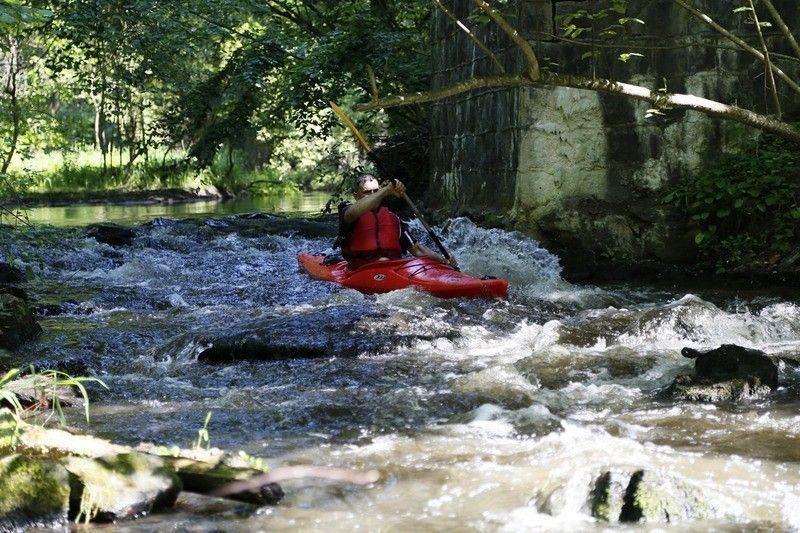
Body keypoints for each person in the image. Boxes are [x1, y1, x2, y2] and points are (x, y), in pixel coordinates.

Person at [336, 174, 458, 270]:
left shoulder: (393, 218)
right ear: (356, 195)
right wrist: (385, 190)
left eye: (376, 190)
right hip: (360, 271)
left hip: (393, 270)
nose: (374, 195)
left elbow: (417, 250)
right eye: (367, 192)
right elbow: (352, 213)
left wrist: (443, 260)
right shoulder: (347, 211)